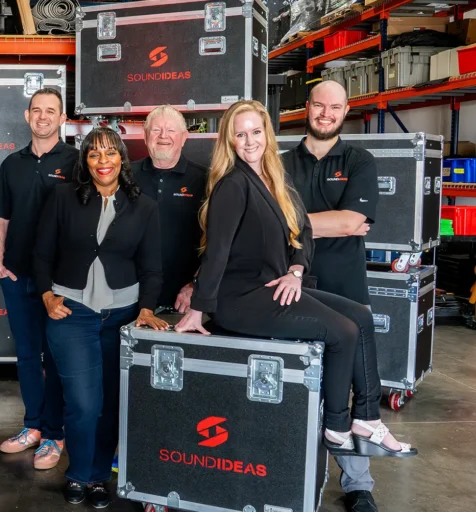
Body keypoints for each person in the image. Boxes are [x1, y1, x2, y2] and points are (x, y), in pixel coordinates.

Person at [174, 100, 415, 464]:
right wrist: (198, 309)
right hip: (240, 299)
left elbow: (301, 231)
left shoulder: (276, 178)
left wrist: (296, 270)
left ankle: (366, 418)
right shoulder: (233, 185)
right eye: (241, 134)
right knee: (343, 332)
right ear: (230, 141)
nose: (250, 141)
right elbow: (217, 252)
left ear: (267, 134)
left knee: (361, 318)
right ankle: (337, 426)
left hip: (275, 286)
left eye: (256, 132)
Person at [34, 127, 168, 509]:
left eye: (110, 153)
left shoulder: (144, 206)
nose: (103, 161)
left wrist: (146, 307)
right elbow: (41, 254)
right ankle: (79, 473)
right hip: (71, 314)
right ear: (86, 161)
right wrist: (46, 294)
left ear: (122, 159)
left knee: (110, 403)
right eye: (94, 154)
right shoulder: (62, 197)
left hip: (122, 317)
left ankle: (97, 478)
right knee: (83, 402)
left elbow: (152, 267)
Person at [281, 80, 381, 512]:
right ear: (307, 107)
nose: (325, 114)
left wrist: (291, 222)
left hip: (346, 289)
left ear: (346, 111)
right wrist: (336, 222)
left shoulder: (360, 160)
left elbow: (352, 221)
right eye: (319, 105)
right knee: (291, 381)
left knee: (353, 387)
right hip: (291, 287)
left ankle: (358, 484)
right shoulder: (281, 162)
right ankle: (285, 470)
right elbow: (270, 220)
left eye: (334, 107)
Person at [0, 87, 77, 469]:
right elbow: (3, 218)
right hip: (17, 275)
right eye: (37, 110)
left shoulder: (77, 161)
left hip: (59, 284)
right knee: (27, 357)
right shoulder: (12, 164)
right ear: (27, 117)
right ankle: (33, 427)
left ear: (63, 119)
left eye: (51, 111)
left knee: (58, 357)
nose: (43, 117)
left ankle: (55, 434)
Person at [132, 106, 209, 312]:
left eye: (171, 130)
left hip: (183, 298)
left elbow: (218, 243)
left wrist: (196, 284)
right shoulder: (125, 176)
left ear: (184, 137)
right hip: (129, 294)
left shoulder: (205, 180)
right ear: (146, 135)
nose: (163, 136)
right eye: (156, 130)